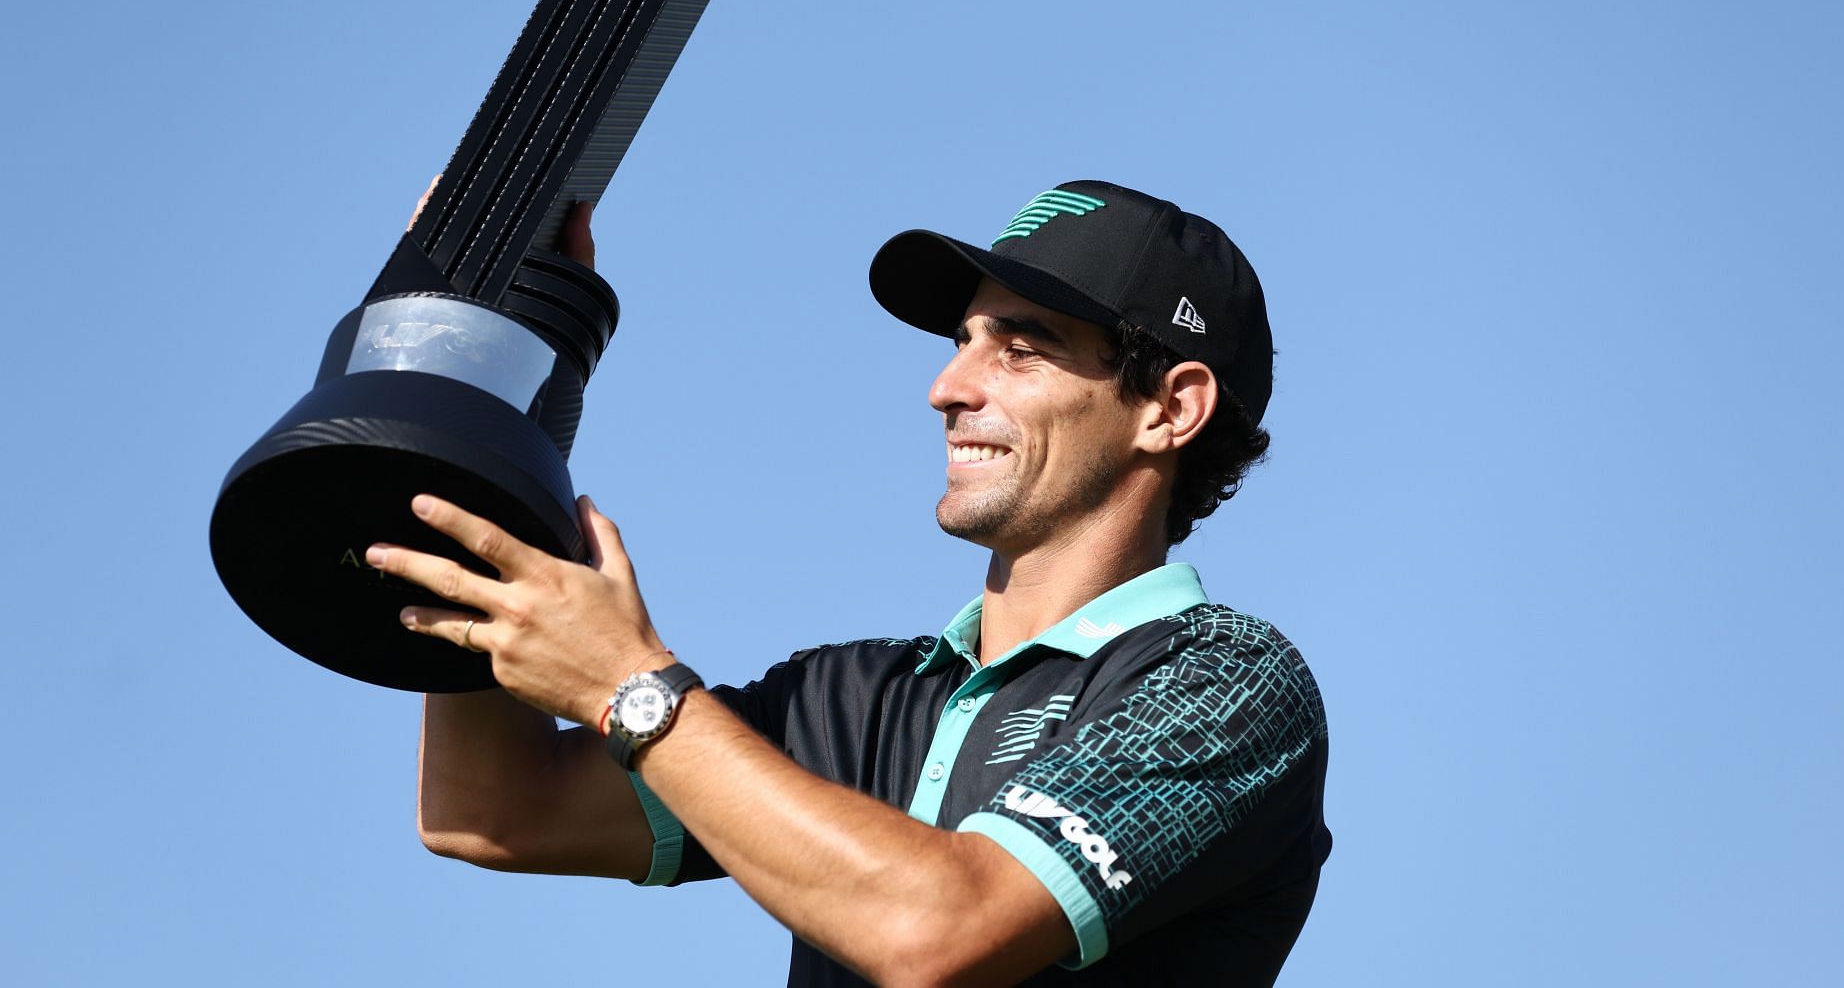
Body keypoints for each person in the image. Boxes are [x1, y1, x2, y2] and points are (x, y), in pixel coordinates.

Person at [371, 180, 1332, 986]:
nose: (949, 387)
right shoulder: (850, 695)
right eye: (962, 340)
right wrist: (488, 399)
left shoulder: (1230, 684)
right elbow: (493, 808)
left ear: (1171, 408)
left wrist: (631, 686)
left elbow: (939, 930)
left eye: (1021, 348)